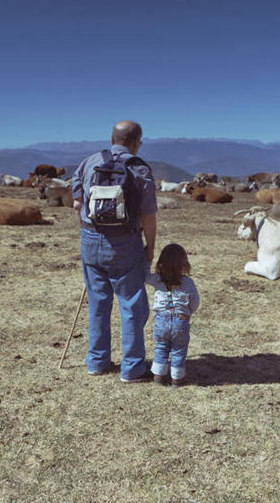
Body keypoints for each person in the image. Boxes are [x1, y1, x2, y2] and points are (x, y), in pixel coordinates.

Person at [71, 120, 157, 382]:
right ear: (135, 142)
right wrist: (150, 248)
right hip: (124, 244)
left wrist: (87, 235)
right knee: (131, 304)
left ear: (112, 138)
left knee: (98, 302)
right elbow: (148, 216)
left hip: (90, 239)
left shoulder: (89, 162)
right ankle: (132, 369)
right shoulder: (138, 168)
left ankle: (97, 362)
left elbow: (77, 204)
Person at [145, 243, 200, 387]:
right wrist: (187, 312)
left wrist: (146, 259)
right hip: (181, 321)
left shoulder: (156, 279)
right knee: (179, 350)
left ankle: (158, 377)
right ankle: (177, 379)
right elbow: (195, 303)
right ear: (184, 264)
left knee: (161, 347)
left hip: (161, 321)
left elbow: (144, 276)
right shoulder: (188, 282)